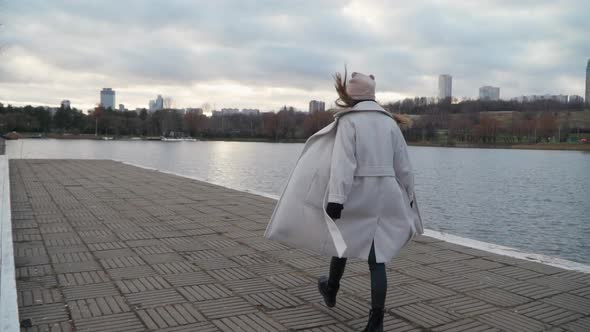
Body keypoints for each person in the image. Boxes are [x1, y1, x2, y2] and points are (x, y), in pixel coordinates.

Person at [265, 69, 423, 332]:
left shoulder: (349, 122)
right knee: (378, 258)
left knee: (343, 239)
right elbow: (404, 166)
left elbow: (343, 165)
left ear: (352, 97)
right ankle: (375, 321)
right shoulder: (389, 123)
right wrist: (408, 195)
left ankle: (332, 288)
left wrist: (336, 199)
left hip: (357, 192)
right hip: (388, 193)